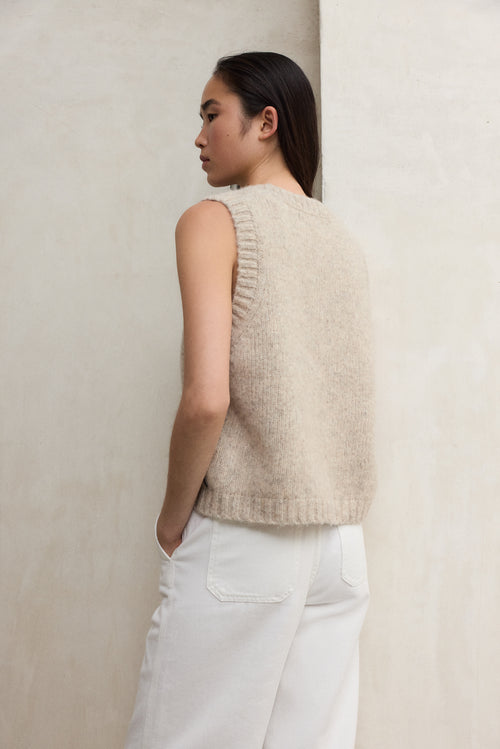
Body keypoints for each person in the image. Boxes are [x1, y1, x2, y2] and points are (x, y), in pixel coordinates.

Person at [124, 51, 376, 749]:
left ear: (267, 122)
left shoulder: (214, 220)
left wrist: (171, 522)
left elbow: (207, 398)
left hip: (246, 536)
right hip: (341, 550)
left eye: (212, 114)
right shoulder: (342, 240)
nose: (199, 136)